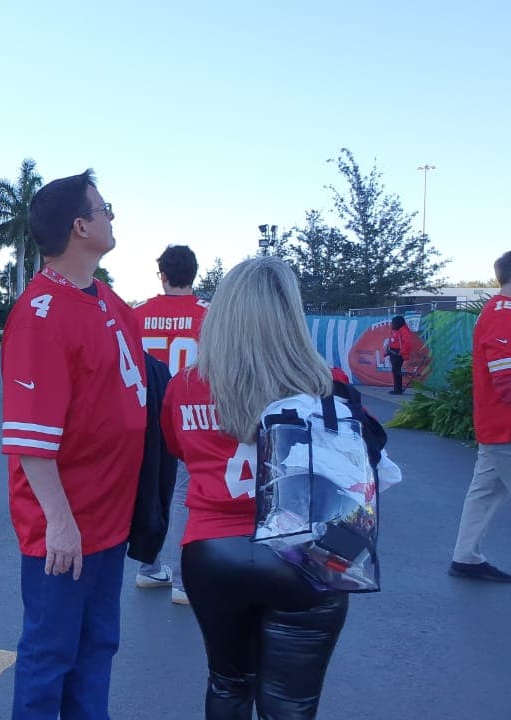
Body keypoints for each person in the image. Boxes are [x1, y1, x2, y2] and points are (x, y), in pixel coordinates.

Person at [166, 256, 370, 718]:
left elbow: (180, 450)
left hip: (212, 550)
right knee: (289, 704)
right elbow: (357, 474)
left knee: (226, 684)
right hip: (304, 551)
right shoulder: (325, 387)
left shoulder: (184, 385)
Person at [2, 171, 146, 718]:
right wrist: (60, 522)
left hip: (110, 521)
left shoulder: (109, 301)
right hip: (65, 530)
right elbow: (30, 441)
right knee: (49, 656)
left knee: (97, 650)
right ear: (81, 226)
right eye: (106, 208)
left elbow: (143, 386)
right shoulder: (40, 314)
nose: (114, 216)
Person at [131, 244, 209, 605]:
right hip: (188, 416)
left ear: (162, 273)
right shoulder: (211, 315)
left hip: (143, 415)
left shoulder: (138, 314)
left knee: (149, 490)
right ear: (194, 273)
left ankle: (149, 566)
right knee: (181, 495)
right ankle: (181, 580)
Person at [449, 251, 511, 583]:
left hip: (496, 428)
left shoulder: (496, 311)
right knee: (484, 493)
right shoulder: (504, 314)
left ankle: (466, 556)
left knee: (484, 493)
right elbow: (506, 380)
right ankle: (465, 557)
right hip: (506, 427)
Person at [385, 315, 414, 395]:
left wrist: (400, 353)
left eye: (393, 323)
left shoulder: (403, 331)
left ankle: (398, 390)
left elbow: (407, 343)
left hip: (398, 353)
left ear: (398, 323)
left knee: (396, 371)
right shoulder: (395, 331)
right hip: (393, 352)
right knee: (395, 371)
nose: (392, 324)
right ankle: (396, 388)